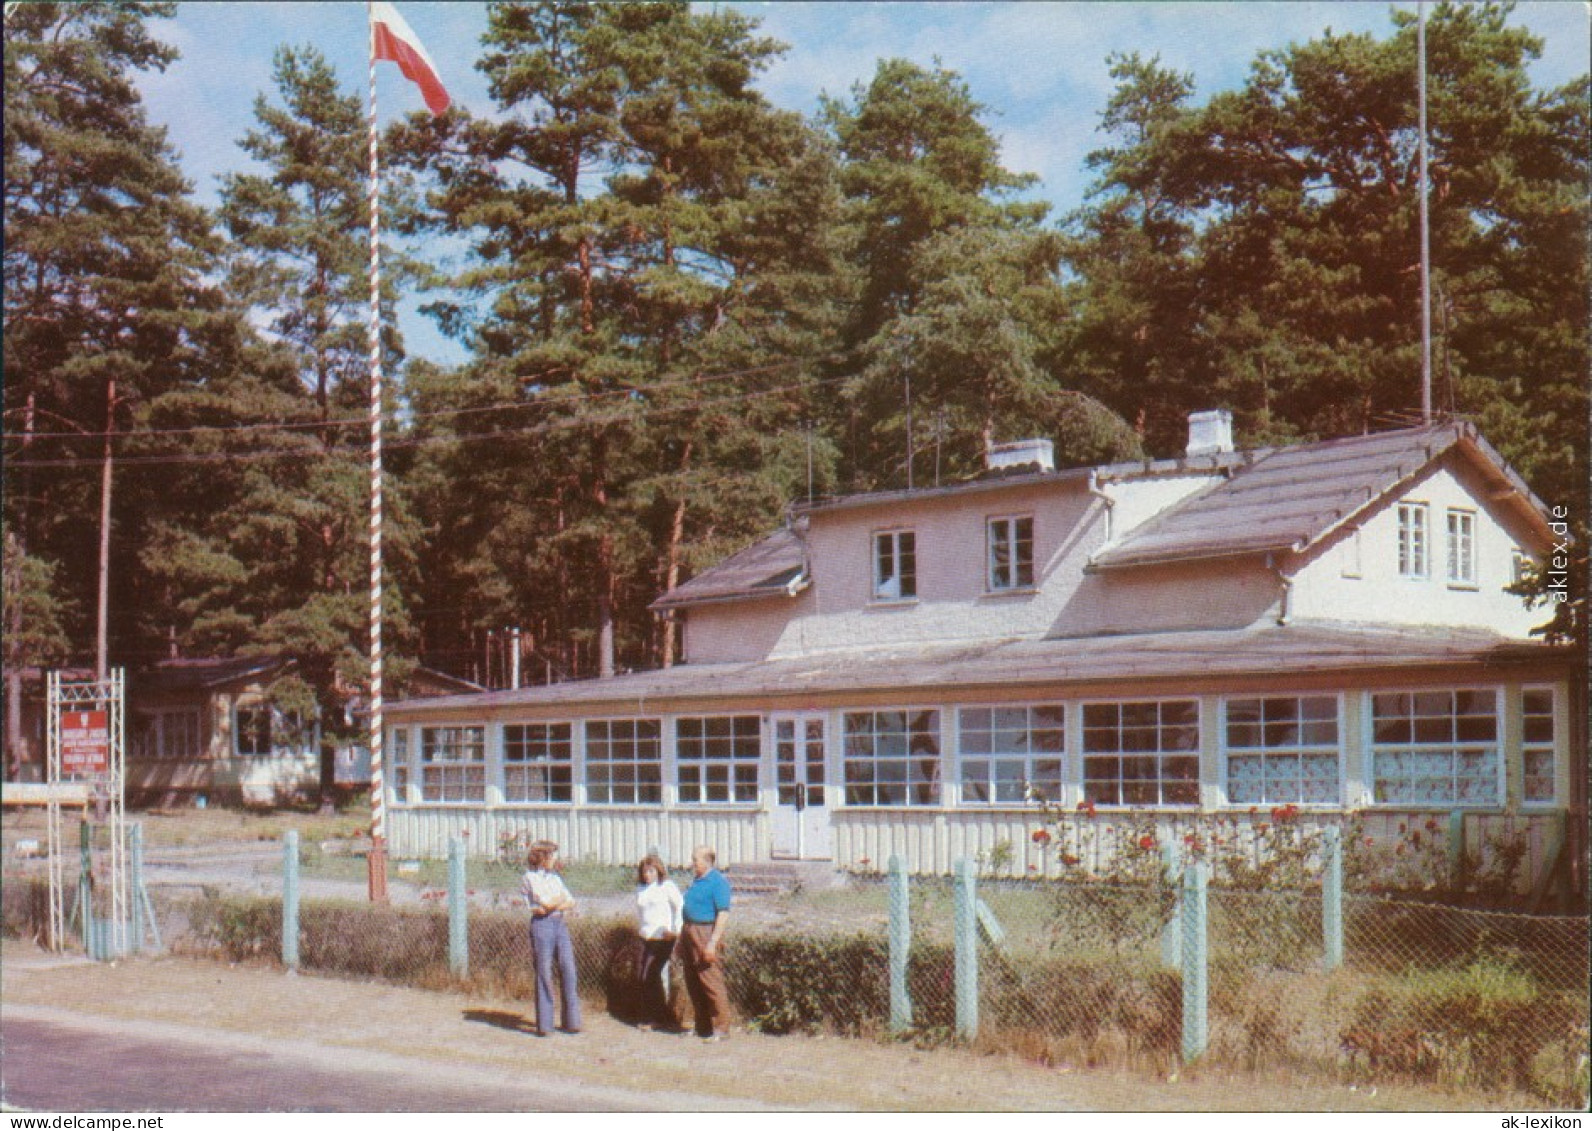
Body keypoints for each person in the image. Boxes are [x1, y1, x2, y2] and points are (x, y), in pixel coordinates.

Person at [522, 840, 581, 1036]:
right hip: (542, 926)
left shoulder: (556, 878)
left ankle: (571, 1021)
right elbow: (544, 903)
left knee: (569, 970)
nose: (555, 859)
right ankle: (545, 1025)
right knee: (544, 973)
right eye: (552, 855)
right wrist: (557, 902)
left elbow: (571, 901)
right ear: (542, 857)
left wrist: (555, 903)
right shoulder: (530, 878)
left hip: (559, 924)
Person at [676, 844, 732, 1041]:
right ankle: (702, 1025)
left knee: (710, 980)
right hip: (689, 931)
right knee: (692, 981)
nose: (692, 863)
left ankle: (721, 1028)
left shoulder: (718, 882)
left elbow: (723, 914)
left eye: (695, 860)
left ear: (707, 861)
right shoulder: (697, 881)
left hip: (705, 932)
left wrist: (712, 942)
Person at [633, 853, 684, 1030]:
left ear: (658, 870)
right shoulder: (640, 888)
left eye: (651, 871)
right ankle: (650, 1015)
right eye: (645, 871)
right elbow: (640, 913)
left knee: (651, 974)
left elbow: (680, 907)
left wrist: (676, 930)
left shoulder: (667, 886)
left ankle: (658, 1018)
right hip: (645, 937)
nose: (648, 875)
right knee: (641, 976)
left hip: (662, 938)